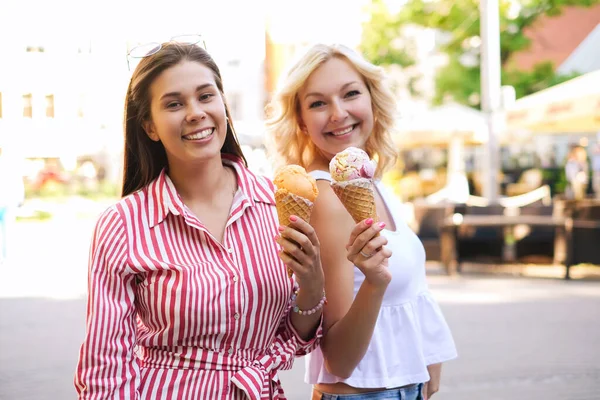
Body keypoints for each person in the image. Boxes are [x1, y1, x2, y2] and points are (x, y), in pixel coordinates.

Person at [75, 41, 329, 400]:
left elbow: (295, 340)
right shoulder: (123, 224)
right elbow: (105, 365)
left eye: (206, 96)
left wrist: (313, 286)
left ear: (222, 105)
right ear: (149, 125)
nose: (195, 112)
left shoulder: (276, 206)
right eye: (174, 104)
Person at [266, 44, 457, 400]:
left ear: (372, 100)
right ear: (302, 122)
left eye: (350, 94)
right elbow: (338, 359)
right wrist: (375, 282)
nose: (338, 113)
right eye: (318, 103)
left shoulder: (373, 185)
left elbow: (413, 296)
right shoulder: (326, 196)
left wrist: (427, 362)